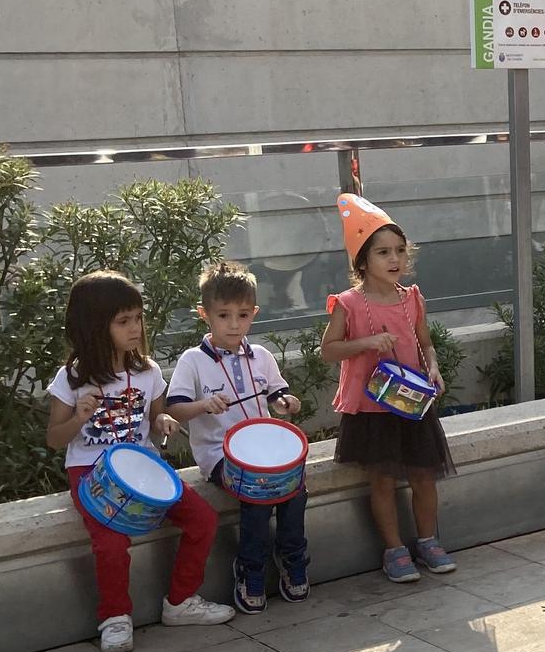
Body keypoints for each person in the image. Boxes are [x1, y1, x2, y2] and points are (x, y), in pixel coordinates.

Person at [46, 271, 235, 652]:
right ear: (94, 326)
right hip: (92, 471)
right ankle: (115, 617)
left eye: (137, 318)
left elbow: (156, 419)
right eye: (123, 321)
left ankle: (181, 602)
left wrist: (163, 421)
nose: (135, 328)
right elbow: (54, 439)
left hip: (143, 465)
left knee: (203, 519)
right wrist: (78, 418)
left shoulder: (147, 371)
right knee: (111, 542)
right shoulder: (71, 379)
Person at [321, 193, 457, 583]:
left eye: (399, 250)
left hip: (412, 402)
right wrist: (364, 344)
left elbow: (425, 343)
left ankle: (428, 541)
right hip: (371, 407)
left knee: (424, 476)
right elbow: (328, 350)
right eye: (383, 252)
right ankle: (394, 549)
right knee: (380, 479)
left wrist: (434, 368)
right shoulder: (347, 304)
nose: (395, 259)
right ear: (362, 260)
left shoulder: (411, 299)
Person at [166, 261, 309, 614]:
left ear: (254, 313)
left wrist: (286, 403)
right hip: (221, 455)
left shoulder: (260, 356)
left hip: (264, 450)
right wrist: (203, 405)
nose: (234, 324)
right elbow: (176, 409)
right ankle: (251, 569)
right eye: (224, 315)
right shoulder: (192, 361)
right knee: (257, 495)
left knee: (297, 490)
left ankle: (292, 557)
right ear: (205, 314)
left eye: (243, 315)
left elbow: (280, 397)